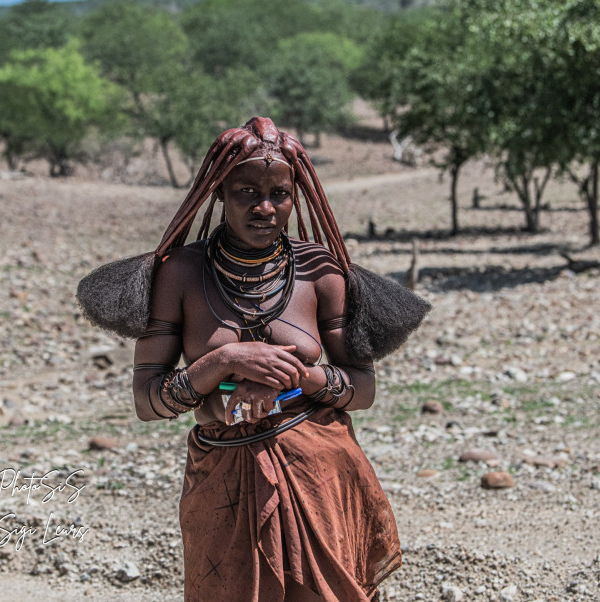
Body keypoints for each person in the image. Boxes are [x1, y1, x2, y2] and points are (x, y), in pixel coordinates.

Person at [77, 117, 429, 601]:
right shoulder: (179, 274)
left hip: (319, 471)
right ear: (220, 191)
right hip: (222, 476)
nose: (265, 207)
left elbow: (363, 389)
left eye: (279, 194)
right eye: (247, 191)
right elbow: (146, 401)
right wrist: (224, 360)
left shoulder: (321, 271)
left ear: (294, 196)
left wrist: (293, 377)